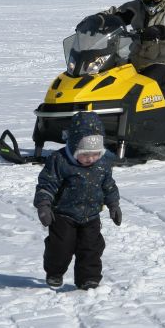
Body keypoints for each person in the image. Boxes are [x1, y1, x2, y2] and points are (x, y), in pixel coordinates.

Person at [34, 111, 121, 290]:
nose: (91, 159)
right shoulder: (60, 161)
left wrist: (113, 205)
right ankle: (55, 272)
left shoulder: (103, 164)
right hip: (64, 215)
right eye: (85, 154)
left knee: (91, 249)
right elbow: (47, 184)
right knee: (61, 248)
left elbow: (109, 186)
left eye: (96, 154)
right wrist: (44, 205)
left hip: (91, 216)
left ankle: (88, 279)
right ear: (74, 147)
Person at [76, 0, 165, 101]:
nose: (150, 0)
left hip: (162, 64)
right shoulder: (136, 8)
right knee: (107, 78)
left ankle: (151, 115)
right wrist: (98, 20)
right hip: (134, 62)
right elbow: (116, 15)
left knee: (141, 89)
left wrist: (162, 32)